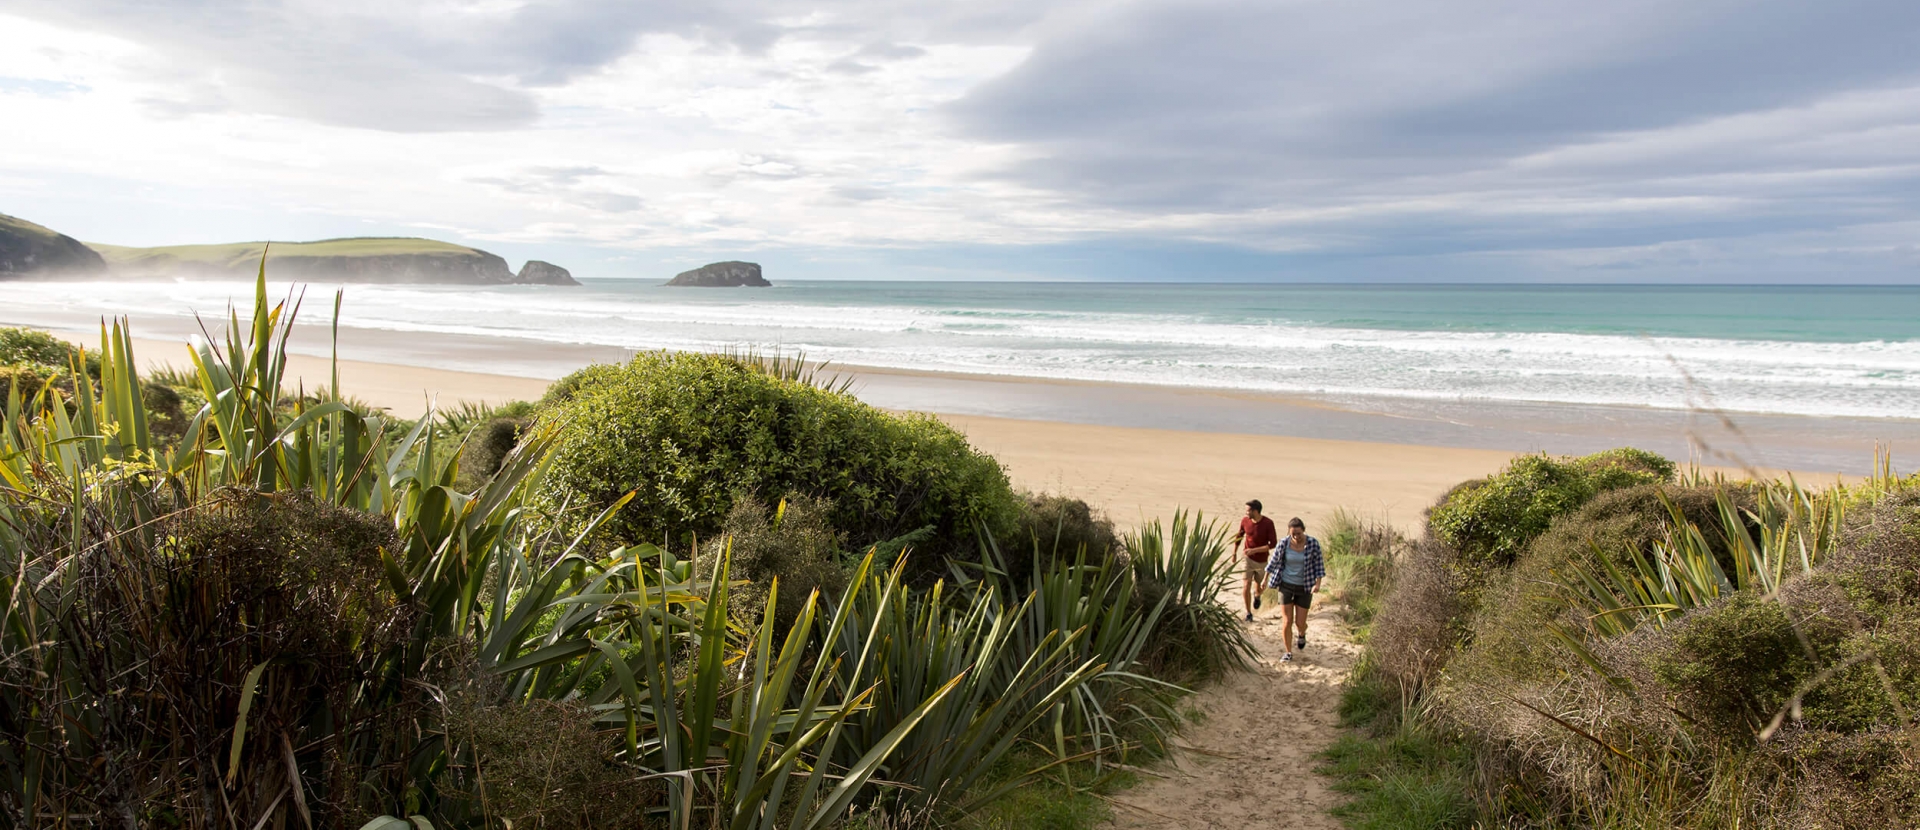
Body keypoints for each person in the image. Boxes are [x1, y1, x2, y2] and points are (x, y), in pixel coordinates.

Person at [1265, 517, 1324, 663]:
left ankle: (1302, 633)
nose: (1296, 537)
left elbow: (1319, 565)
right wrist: (1264, 579)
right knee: (1287, 620)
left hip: (1304, 587)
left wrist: (1317, 584)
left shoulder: (1312, 544)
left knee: (1299, 622)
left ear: (1303, 530)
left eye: (1298, 533)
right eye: (1293, 534)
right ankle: (1288, 652)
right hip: (1285, 585)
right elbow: (1273, 561)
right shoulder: (1284, 543)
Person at [1229, 499, 1277, 623]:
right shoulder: (1245, 521)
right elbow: (1239, 536)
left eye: (1248, 510)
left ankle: (1257, 596)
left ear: (1255, 511)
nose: (1246, 513)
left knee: (1260, 585)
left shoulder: (1268, 523)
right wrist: (1234, 553)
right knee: (1246, 584)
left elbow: (1273, 544)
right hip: (1247, 558)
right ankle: (1248, 612)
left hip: (1261, 560)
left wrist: (1255, 550)